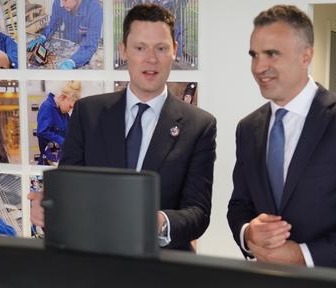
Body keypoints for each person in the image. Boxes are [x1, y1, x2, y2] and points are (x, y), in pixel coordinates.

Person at [227, 5, 336, 272]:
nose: (259, 67)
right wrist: (248, 234)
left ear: (306, 56)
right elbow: (240, 205)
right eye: (254, 55)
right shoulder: (248, 128)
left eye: (271, 54)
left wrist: (304, 255)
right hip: (269, 287)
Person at [29, 3, 216, 252]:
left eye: (161, 48)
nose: (151, 59)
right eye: (140, 48)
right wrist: (50, 205)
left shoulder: (199, 125)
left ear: (175, 51)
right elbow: (70, 190)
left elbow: (198, 213)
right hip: (96, 265)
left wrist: (160, 222)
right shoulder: (88, 113)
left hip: (165, 272)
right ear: (123, 51)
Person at [26, 0, 102, 69]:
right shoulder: (59, 3)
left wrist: (72, 62)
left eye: (65, 0)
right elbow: (53, 23)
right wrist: (43, 37)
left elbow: (90, 45)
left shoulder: (95, 9)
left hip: (85, 51)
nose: (62, 4)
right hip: (68, 42)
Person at [36, 81, 81, 165]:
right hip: (48, 162)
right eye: (70, 107)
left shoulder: (64, 115)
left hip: (61, 160)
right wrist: (63, 142)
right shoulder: (47, 107)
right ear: (63, 97)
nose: (70, 110)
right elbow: (42, 132)